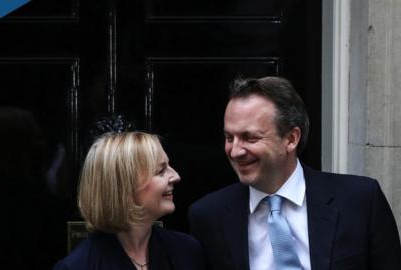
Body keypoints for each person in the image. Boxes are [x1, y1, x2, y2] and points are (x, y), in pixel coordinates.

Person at [188, 76, 401, 270]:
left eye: (250, 138)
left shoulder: (360, 201)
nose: (235, 151)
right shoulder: (208, 217)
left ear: (291, 139)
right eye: (229, 138)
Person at [54, 131, 206, 270]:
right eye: (160, 171)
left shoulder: (186, 251)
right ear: (123, 187)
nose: (176, 176)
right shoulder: (77, 266)